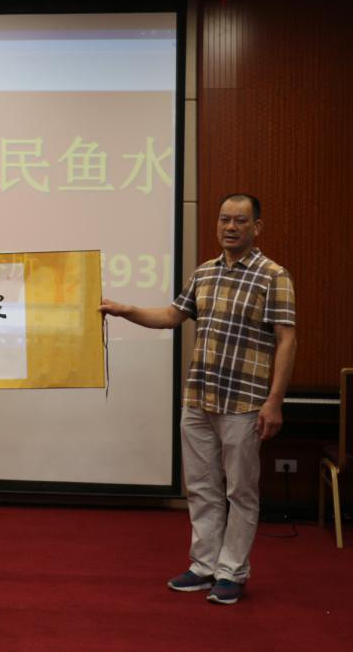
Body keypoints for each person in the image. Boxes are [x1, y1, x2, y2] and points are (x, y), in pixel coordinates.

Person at [99, 193, 296, 605]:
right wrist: (125, 309)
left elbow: (287, 340)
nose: (230, 227)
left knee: (241, 491)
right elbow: (172, 316)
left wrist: (274, 401)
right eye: (224, 219)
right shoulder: (204, 273)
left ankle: (232, 571)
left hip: (244, 401)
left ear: (257, 227)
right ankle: (204, 566)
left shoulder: (273, 276)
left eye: (240, 220)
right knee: (203, 487)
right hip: (198, 397)